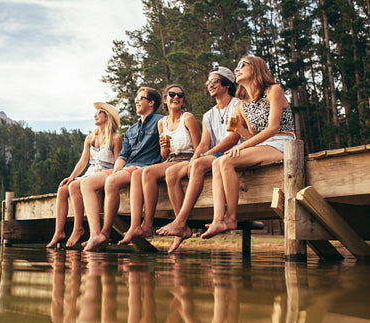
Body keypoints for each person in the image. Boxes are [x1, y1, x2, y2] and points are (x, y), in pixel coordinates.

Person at [202, 55, 295, 239]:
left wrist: (243, 147)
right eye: (236, 66)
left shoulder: (273, 91)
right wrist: (240, 130)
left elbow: (273, 128)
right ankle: (218, 218)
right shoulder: (242, 106)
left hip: (283, 142)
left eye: (242, 65)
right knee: (217, 163)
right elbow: (252, 136)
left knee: (226, 161)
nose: (237, 69)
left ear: (257, 68)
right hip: (263, 145)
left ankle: (231, 217)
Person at [156, 67, 241, 253]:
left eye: (214, 81)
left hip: (235, 153)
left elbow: (234, 137)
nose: (209, 85)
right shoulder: (209, 115)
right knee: (172, 172)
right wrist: (196, 158)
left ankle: (180, 221)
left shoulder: (237, 105)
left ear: (227, 84)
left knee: (200, 163)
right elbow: (203, 144)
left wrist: (206, 155)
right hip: (215, 155)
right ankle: (181, 226)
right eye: (208, 82)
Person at [80, 87, 163, 252]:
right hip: (127, 167)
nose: (136, 101)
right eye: (136, 99)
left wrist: (117, 174)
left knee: (112, 181)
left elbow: (164, 150)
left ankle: (105, 232)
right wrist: (117, 170)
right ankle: (95, 234)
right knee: (87, 183)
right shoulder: (132, 129)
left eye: (140, 98)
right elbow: (123, 156)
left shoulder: (160, 121)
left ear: (151, 102)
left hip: (145, 167)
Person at [118, 84, 200, 246]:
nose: (176, 97)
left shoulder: (188, 118)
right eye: (172, 94)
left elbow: (199, 147)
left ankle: (180, 224)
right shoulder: (162, 122)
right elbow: (164, 155)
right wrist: (165, 147)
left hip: (188, 158)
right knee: (142, 173)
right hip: (170, 160)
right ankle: (145, 225)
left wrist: (194, 164)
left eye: (180, 95)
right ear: (165, 100)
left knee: (163, 173)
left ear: (183, 100)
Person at [46, 102, 122, 248]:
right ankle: (59, 232)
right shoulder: (90, 137)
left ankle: (78, 228)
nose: (95, 115)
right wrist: (71, 176)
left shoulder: (115, 138)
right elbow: (83, 161)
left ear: (108, 116)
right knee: (63, 188)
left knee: (75, 186)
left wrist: (116, 176)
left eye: (99, 112)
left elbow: (119, 161)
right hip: (90, 172)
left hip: (108, 172)